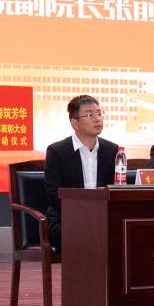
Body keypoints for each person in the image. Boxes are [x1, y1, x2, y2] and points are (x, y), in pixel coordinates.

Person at [44, 95, 121, 251]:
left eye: (99, 113)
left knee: (121, 232)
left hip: (102, 218)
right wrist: (84, 216)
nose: (97, 119)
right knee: (84, 233)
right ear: (75, 123)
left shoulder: (112, 150)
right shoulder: (57, 151)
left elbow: (115, 189)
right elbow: (54, 194)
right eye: (90, 115)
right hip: (66, 219)